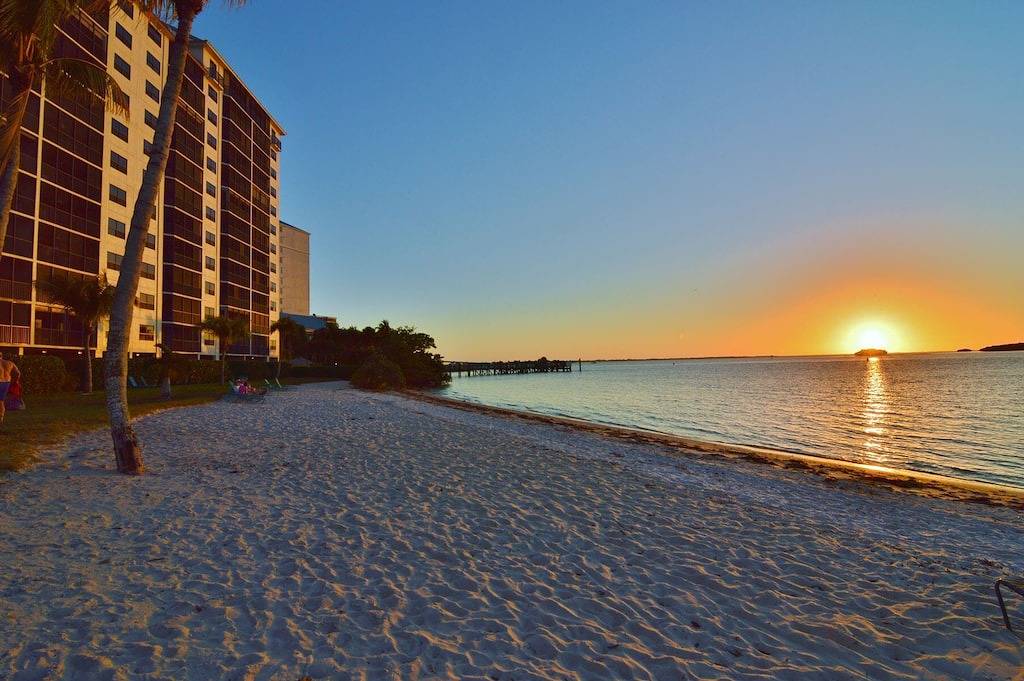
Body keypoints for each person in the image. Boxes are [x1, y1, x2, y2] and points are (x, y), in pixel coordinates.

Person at [0, 352, 21, 424]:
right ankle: (1, 417)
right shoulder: (10, 363)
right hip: (6, 383)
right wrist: (15, 380)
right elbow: (18, 373)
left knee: (1, 401)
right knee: (1, 401)